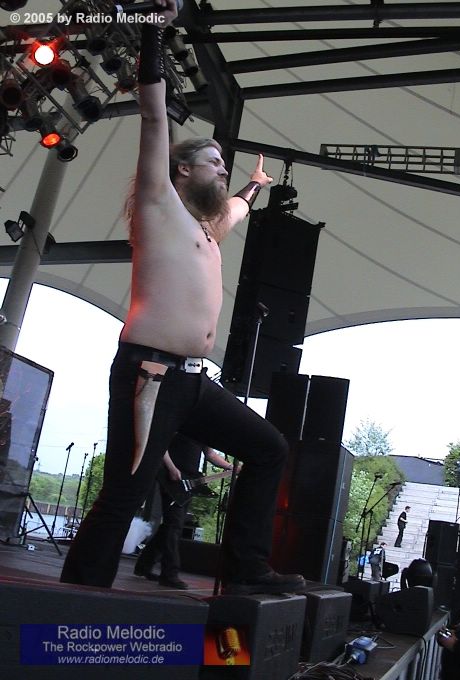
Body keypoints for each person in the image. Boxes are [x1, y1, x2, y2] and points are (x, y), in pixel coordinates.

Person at [60, 0, 305, 596]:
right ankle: (74, 603)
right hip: (150, 374)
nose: (222, 170)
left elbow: (234, 211)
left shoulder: (205, 230)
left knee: (268, 449)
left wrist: (254, 185)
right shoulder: (159, 206)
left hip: (194, 382)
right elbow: (153, 117)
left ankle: (245, 568)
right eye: (214, 162)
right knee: (124, 492)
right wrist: (152, 33)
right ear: (182, 171)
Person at [134, 434, 234, 589]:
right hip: (171, 477)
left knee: (171, 525)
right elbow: (162, 445)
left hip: (188, 481)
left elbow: (210, 454)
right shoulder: (181, 424)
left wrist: (231, 467)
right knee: (174, 525)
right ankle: (169, 574)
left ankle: (144, 565)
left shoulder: (203, 430)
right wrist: (171, 468)